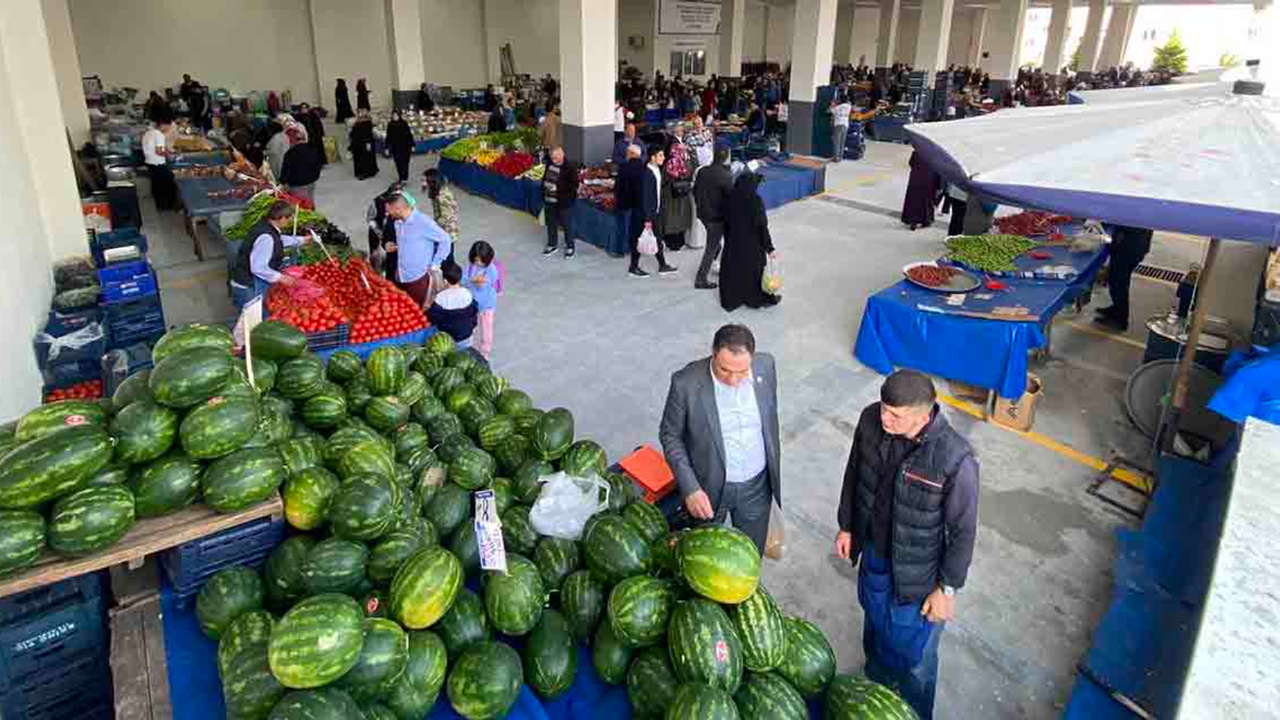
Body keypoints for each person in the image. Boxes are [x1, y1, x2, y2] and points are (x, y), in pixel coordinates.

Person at [835, 370, 979, 720]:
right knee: (875, 627)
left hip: (917, 579)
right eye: (884, 408)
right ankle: (877, 693)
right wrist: (847, 526)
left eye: (895, 415)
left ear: (923, 414)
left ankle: (914, 711)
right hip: (875, 555)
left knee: (916, 660)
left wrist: (946, 589)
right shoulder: (871, 421)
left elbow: (963, 531)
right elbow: (854, 474)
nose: (885, 418)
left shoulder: (954, 458)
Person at [659, 324, 781, 554]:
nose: (733, 380)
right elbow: (670, 435)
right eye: (724, 370)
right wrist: (690, 488)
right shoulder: (685, 383)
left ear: (752, 359)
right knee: (705, 557)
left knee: (749, 556)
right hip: (708, 487)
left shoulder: (766, 365)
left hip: (756, 486)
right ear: (713, 354)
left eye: (742, 371)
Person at [230, 200, 316, 309]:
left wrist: (302, 240)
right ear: (282, 218)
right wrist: (282, 278)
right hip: (248, 287)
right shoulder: (266, 237)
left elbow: (277, 240)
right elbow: (258, 268)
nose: (290, 221)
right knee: (255, 322)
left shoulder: (265, 225)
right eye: (289, 218)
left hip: (245, 281)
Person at [720, 162, 778, 310]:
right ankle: (752, 297)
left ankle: (734, 298)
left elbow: (725, 221)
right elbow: (762, 227)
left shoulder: (730, 198)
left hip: (733, 243)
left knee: (733, 271)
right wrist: (769, 248)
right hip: (752, 245)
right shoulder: (755, 201)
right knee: (752, 272)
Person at [385, 192, 451, 306]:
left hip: (418, 278)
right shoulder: (398, 223)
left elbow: (445, 240)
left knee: (418, 310)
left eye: (389, 210)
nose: (387, 213)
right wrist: (394, 246)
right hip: (401, 274)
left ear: (398, 209)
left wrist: (435, 264)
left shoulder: (424, 222)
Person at [628, 146, 678, 278]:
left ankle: (662, 265)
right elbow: (645, 198)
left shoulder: (657, 169)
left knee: (657, 238)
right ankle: (633, 267)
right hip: (646, 214)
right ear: (653, 157)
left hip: (654, 213)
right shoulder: (646, 174)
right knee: (639, 240)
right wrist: (647, 219)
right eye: (661, 155)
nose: (663, 158)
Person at [1095, 225, 1153, 332]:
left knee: (1118, 283)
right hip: (1134, 244)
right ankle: (1117, 309)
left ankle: (1120, 320)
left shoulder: (1135, 214)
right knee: (1119, 281)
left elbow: (1127, 224)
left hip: (1129, 247)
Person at [693, 143, 733, 290]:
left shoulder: (703, 171)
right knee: (712, 247)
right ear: (725, 157)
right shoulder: (725, 175)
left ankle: (713, 265)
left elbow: (695, 191)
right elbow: (730, 199)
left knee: (715, 243)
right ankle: (701, 278)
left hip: (703, 214)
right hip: (716, 218)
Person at [427, 261, 479, 348]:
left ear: (445, 281)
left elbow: (432, 318)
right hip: (467, 336)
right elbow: (474, 312)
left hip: (448, 340)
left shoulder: (440, 298)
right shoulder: (467, 293)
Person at [541, 146, 581, 258]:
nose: (553, 160)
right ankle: (552, 244)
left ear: (562, 155)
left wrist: (557, 188)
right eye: (552, 158)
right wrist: (544, 186)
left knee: (567, 225)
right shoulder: (550, 163)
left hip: (563, 202)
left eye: (555, 158)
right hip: (549, 200)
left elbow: (573, 186)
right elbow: (545, 177)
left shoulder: (570, 168)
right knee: (551, 223)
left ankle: (570, 246)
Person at [660, 132, 694, 252]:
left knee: (670, 218)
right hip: (683, 194)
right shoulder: (687, 162)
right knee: (681, 217)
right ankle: (680, 242)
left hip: (670, 195)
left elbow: (664, 179)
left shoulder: (669, 164)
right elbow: (690, 174)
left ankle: (670, 242)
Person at [464, 241, 499, 359]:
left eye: (481, 261)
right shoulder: (470, 266)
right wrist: (472, 280)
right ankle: (469, 349)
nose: (478, 263)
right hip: (472, 303)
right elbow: (463, 280)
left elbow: (484, 286)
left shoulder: (491, 270)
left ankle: (484, 353)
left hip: (486, 305)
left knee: (486, 330)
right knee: (469, 328)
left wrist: (477, 282)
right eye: (476, 260)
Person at [614, 144, 646, 262]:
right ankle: (634, 249)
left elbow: (618, 187)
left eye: (627, 152)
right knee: (635, 229)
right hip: (638, 204)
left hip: (624, 203)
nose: (626, 155)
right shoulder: (644, 168)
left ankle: (621, 250)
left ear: (632, 154)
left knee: (622, 227)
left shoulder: (624, 167)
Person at [366, 183, 405, 277]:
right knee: (377, 258)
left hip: (393, 234)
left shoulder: (403, 200)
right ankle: (377, 275)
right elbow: (370, 219)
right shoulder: (377, 201)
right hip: (377, 235)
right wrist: (380, 233)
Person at [422, 169, 460, 263]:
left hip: (447, 231)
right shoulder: (439, 190)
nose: (422, 183)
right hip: (446, 230)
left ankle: (450, 273)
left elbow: (446, 217)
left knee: (446, 255)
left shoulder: (442, 198)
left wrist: (432, 226)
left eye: (424, 180)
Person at [142, 114, 178, 212]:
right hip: (158, 163)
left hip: (150, 162)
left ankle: (159, 204)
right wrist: (169, 155)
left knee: (156, 184)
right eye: (169, 126)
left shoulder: (148, 132)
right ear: (163, 125)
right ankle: (168, 206)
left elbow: (156, 147)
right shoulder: (159, 135)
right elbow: (159, 151)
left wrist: (167, 151)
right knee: (170, 184)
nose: (169, 129)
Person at [279, 127, 323, 203]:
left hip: (297, 184)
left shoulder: (291, 153)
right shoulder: (312, 148)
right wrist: (315, 176)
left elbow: (286, 170)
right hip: (311, 181)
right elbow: (318, 164)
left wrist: (283, 182)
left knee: (301, 205)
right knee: (309, 200)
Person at [900, 151, 941, 231]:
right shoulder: (936, 154)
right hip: (929, 181)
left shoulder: (917, 152)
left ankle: (912, 221)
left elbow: (911, 163)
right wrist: (939, 185)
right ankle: (926, 221)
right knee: (926, 201)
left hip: (915, 179)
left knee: (913, 200)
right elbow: (938, 170)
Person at [349, 109, 379, 180]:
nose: (359, 115)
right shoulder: (356, 123)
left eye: (361, 113)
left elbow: (369, 135)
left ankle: (366, 173)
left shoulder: (367, 123)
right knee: (359, 159)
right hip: (357, 144)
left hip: (365, 144)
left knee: (366, 158)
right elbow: (353, 134)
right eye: (358, 113)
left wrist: (368, 144)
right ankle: (360, 172)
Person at [386, 110, 415, 183]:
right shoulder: (390, 124)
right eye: (393, 115)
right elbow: (388, 137)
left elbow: (409, 135)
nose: (395, 117)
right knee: (398, 163)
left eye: (396, 115)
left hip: (405, 147)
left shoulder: (404, 123)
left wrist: (412, 145)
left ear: (399, 115)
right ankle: (401, 177)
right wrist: (386, 147)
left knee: (405, 163)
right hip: (395, 147)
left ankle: (404, 178)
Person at [830, 92, 853, 163]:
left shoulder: (837, 107)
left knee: (836, 142)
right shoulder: (849, 106)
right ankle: (840, 157)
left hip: (838, 125)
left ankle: (836, 158)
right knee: (842, 142)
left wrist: (832, 104)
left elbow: (828, 111)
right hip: (845, 125)